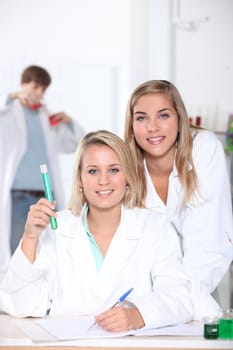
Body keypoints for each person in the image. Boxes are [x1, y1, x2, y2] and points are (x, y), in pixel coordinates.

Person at [0, 130, 193, 331]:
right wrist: (31, 237)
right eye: (93, 171)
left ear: (127, 176)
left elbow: (180, 298)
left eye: (114, 170)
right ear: (80, 179)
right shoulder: (57, 228)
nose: (104, 181)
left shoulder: (155, 227)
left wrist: (138, 315)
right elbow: (21, 305)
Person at [124, 79, 233, 320]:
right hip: (143, 297)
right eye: (141, 118)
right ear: (132, 125)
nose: (152, 127)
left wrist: (173, 306)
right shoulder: (125, 165)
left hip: (196, 290)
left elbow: (205, 240)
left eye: (163, 116)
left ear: (180, 118)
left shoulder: (203, 149)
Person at [0, 65, 84, 281]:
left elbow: (74, 144)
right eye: (35, 86)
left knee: (46, 246)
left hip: (45, 193)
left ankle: (40, 292)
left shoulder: (47, 117)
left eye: (43, 89)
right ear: (23, 84)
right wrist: (11, 99)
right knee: (18, 246)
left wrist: (70, 122)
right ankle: (14, 294)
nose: (38, 93)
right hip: (18, 195)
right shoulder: (10, 112)